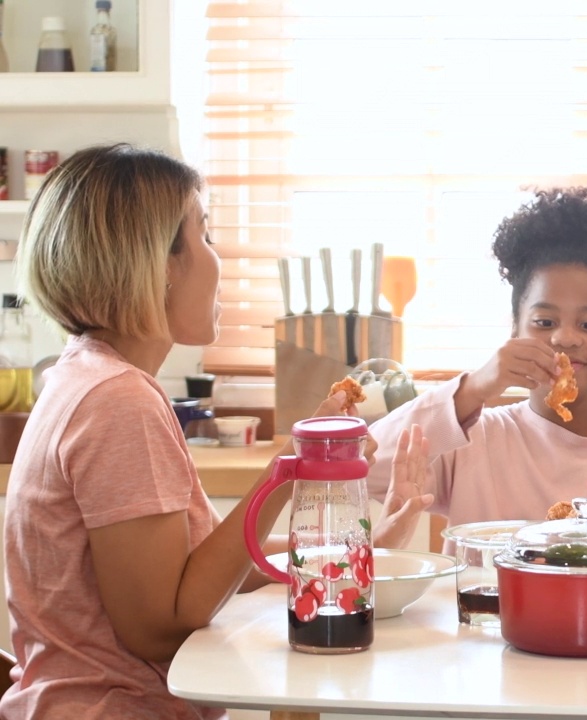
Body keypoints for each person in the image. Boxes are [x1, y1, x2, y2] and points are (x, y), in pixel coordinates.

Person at [2, 144, 427, 719]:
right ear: (154, 262)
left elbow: (194, 569)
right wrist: (295, 464)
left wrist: (352, 551)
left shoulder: (83, 376)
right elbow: (162, 625)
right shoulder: (117, 401)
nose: (219, 258)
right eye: (204, 235)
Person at [366, 185, 587, 534]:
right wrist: (472, 389)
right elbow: (362, 469)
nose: (565, 338)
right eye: (545, 323)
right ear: (514, 331)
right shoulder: (475, 439)